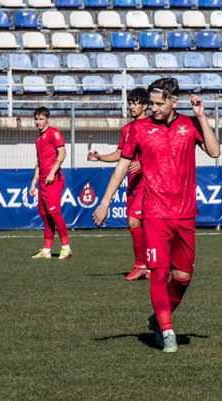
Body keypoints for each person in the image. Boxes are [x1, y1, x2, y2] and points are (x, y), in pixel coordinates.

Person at [93, 77, 221, 353]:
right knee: (160, 273)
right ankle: (167, 329)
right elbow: (121, 167)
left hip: (185, 214)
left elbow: (214, 151)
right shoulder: (138, 129)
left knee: (183, 276)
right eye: (150, 104)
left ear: (174, 102)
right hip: (154, 213)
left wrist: (202, 116)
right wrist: (104, 203)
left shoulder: (190, 125)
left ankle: (158, 318)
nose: (153, 108)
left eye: (158, 104)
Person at [87, 87, 150, 280]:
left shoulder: (153, 126)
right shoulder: (128, 129)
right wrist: (100, 158)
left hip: (148, 183)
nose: (131, 107)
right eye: (129, 103)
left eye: (135, 103)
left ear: (145, 105)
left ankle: (142, 265)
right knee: (135, 224)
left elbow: (160, 152)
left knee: (136, 222)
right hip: (132, 184)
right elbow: (120, 154)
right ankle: (149, 265)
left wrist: (143, 163)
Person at [29, 107, 72, 260]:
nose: (38, 122)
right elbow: (39, 162)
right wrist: (34, 181)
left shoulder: (54, 133)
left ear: (47, 119)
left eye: (41, 119)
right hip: (42, 181)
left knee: (54, 213)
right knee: (46, 215)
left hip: (54, 180)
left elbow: (62, 152)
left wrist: (53, 172)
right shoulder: (38, 139)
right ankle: (46, 250)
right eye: (36, 119)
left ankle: (66, 247)